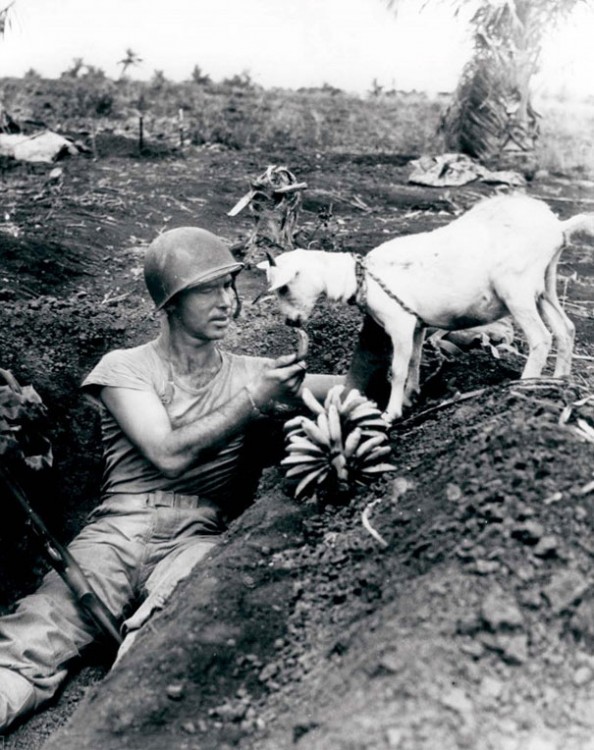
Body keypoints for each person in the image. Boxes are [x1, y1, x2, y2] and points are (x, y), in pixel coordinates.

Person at [0, 226, 342, 732]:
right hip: (116, 533)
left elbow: (357, 391)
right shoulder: (126, 368)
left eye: (230, 286)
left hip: (198, 538)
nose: (227, 301)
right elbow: (168, 453)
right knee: (32, 638)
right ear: (171, 303)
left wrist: (391, 323)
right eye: (209, 289)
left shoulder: (255, 372)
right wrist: (254, 400)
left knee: (177, 638)